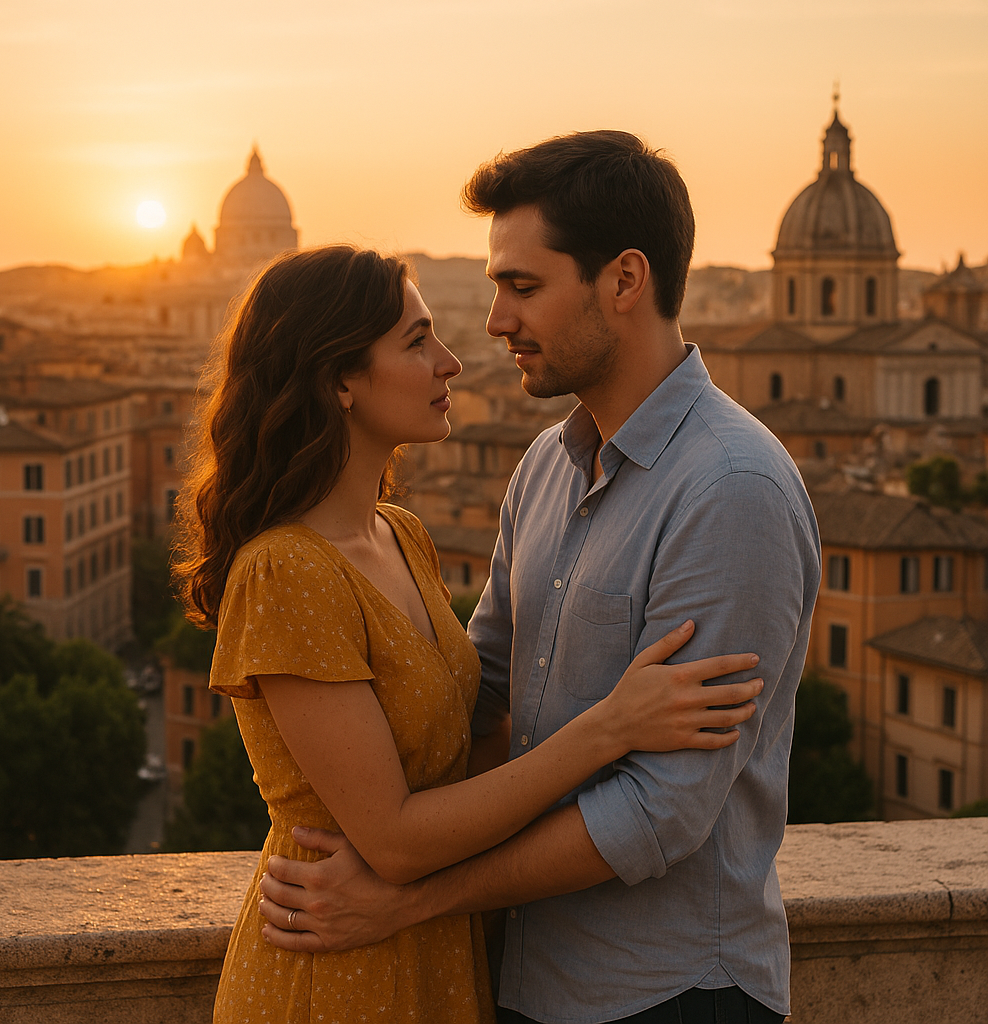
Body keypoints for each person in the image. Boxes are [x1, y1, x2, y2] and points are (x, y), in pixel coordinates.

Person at [258, 132, 822, 1024]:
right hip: (525, 978)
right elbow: (477, 693)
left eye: (522, 287)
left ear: (625, 281)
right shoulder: (545, 469)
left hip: (671, 993)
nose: (493, 322)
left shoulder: (731, 491)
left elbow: (662, 812)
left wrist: (411, 896)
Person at [172, 243, 766, 1024]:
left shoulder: (401, 536)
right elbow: (393, 841)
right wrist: (612, 727)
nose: (452, 362)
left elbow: (475, 724)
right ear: (338, 381)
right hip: (334, 961)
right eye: (417, 342)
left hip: (432, 946)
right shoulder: (287, 573)